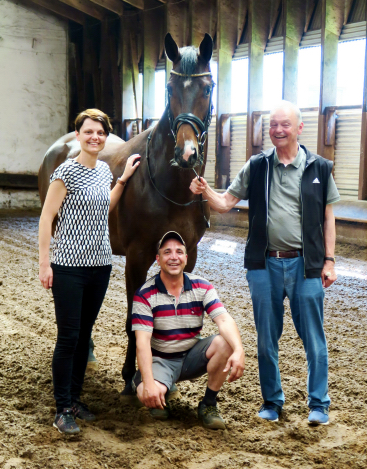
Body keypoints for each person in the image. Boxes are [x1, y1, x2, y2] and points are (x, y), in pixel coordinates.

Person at [189, 100, 340, 425]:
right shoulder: (257, 166)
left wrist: (329, 260)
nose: (278, 130)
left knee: (314, 337)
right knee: (266, 338)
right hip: (264, 265)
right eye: (273, 124)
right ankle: (272, 401)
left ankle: (319, 404)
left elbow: (329, 218)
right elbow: (226, 203)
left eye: (284, 124)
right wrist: (204, 191)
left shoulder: (319, 168)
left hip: (307, 266)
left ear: (299, 128)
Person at [39, 108, 140, 434]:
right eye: (89, 132)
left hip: (99, 266)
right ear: (79, 134)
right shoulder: (64, 173)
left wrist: (122, 179)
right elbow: (46, 218)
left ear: (105, 137)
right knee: (68, 337)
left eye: (100, 133)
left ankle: (76, 400)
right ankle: (62, 408)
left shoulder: (102, 173)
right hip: (68, 266)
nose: (95, 137)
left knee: (84, 336)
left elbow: (104, 205)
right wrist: (45, 262)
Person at [131, 231, 245, 430]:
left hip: (192, 356)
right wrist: (148, 382)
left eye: (179, 252)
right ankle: (153, 385)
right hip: (161, 360)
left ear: (186, 258)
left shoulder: (202, 286)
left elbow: (224, 319)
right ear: (158, 259)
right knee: (145, 393)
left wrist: (239, 350)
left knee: (225, 342)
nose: (173, 257)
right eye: (167, 252)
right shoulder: (144, 294)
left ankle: (209, 404)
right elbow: (142, 343)